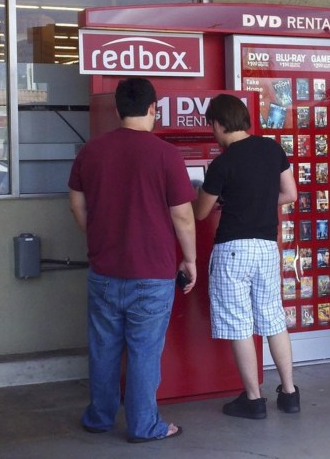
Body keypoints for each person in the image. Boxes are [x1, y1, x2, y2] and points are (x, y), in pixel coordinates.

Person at [68, 77, 197, 442]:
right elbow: (183, 216)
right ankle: (144, 426)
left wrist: (96, 236)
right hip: (153, 273)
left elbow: (77, 203)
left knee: (104, 348)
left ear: (118, 109)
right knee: (143, 352)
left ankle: (99, 417)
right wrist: (190, 259)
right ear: (153, 109)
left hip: (104, 269)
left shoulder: (91, 151)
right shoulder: (165, 154)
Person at [194, 94, 299, 419]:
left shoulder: (222, 163)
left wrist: (216, 197)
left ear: (220, 124)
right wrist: (259, 204)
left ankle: (253, 400)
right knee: (273, 319)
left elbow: (200, 212)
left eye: (212, 125)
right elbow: (290, 194)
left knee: (240, 325)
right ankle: (290, 393)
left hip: (233, 250)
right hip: (267, 247)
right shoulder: (272, 148)